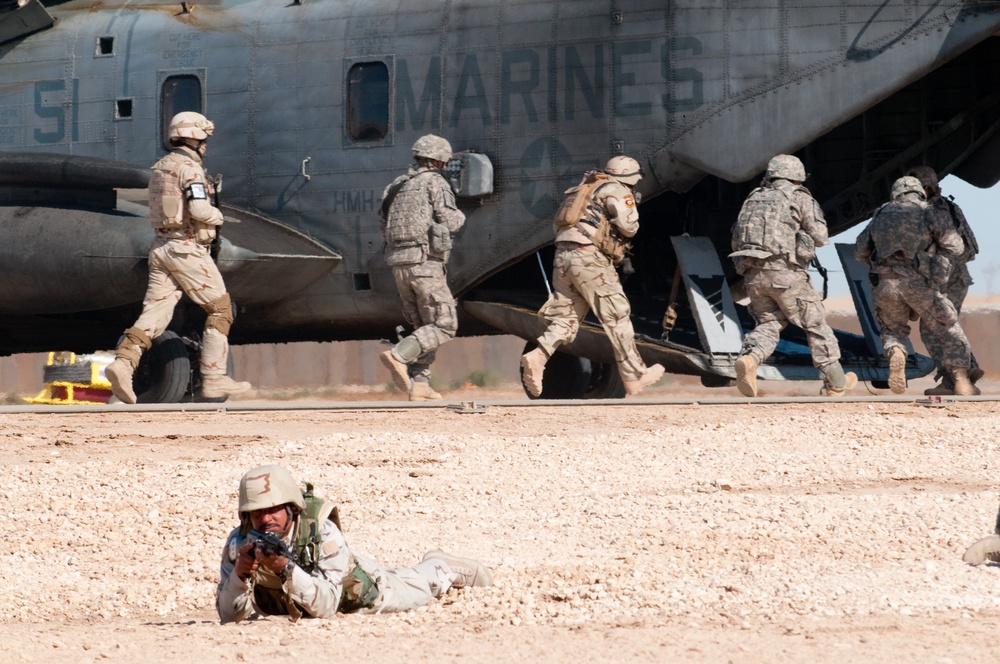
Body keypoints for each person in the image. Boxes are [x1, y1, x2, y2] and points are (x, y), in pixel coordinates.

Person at [216, 464, 492, 623]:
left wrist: (287, 569)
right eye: (256, 512)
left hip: (358, 592)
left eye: (273, 509)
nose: (265, 519)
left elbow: (326, 607)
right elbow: (229, 617)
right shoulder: (240, 543)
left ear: (291, 507)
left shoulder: (322, 532)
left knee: (417, 590)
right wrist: (240, 575)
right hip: (311, 593)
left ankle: (440, 566)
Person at [105, 112, 251, 404]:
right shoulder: (190, 170)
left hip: (161, 247)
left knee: (156, 313)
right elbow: (198, 211)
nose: (206, 146)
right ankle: (213, 378)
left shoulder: (161, 167)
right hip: (186, 248)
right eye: (204, 140)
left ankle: (123, 362)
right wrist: (218, 214)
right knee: (221, 310)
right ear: (193, 137)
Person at [520, 156, 665, 398]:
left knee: (567, 317)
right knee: (617, 316)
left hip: (563, 257)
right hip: (589, 260)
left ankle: (538, 356)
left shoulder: (582, 189)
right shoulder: (617, 190)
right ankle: (635, 375)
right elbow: (630, 226)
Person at [729, 154, 857, 397]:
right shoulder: (799, 197)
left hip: (753, 277)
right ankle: (836, 382)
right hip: (786, 275)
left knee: (768, 323)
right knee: (815, 324)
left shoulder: (753, 198)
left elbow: (735, 236)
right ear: (798, 177)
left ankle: (750, 358)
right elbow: (820, 236)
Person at [854, 176, 978, 395]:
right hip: (918, 284)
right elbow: (955, 247)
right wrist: (932, 258)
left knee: (892, 330)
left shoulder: (880, 214)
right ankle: (961, 380)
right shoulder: (928, 211)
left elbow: (860, 251)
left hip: (884, 284)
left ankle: (897, 355)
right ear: (920, 192)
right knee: (948, 329)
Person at [379, 134, 466, 401]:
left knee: (423, 328)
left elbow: (383, 225)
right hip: (425, 264)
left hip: (399, 264)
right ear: (439, 161)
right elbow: (450, 220)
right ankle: (398, 355)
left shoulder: (395, 186)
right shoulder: (435, 182)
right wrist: (461, 215)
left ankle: (420, 384)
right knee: (444, 324)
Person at [906, 166, 983, 395]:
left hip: (938, 279)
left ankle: (954, 381)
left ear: (924, 188)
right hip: (959, 279)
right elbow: (972, 248)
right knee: (949, 327)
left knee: (933, 330)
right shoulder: (951, 207)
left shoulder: (920, 212)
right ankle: (968, 371)